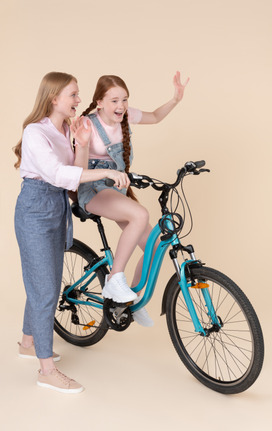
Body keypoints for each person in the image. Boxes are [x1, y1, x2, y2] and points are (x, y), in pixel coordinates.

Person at [14, 71, 129, 394]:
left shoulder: (68, 129)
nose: (80, 100)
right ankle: (46, 370)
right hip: (36, 208)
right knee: (46, 287)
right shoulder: (35, 132)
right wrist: (106, 170)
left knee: (46, 278)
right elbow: (56, 174)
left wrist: (80, 143)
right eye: (74, 95)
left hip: (57, 207)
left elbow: (77, 172)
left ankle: (27, 341)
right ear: (54, 99)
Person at [76, 72, 189, 327]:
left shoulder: (125, 117)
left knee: (155, 245)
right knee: (140, 214)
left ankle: (130, 301)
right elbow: (79, 172)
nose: (121, 106)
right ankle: (115, 279)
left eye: (124, 100)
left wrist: (175, 99)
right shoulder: (87, 125)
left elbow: (156, 117)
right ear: (99, 102)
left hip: (114, 191)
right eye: (114, 100)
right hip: (91, 190)